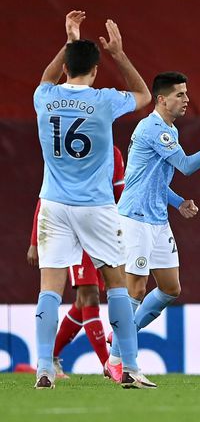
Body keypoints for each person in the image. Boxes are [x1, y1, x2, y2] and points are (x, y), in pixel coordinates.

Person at [33, 10, 155, 389]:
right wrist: (118, 53)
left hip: (53, 205)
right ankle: (130, 367)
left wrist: (70, 40)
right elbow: (144, 95)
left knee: (50, 287)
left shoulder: (44, 97)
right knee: (116, 283)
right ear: (96, 70)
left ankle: (43, 367)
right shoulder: (103, 101)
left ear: (66, 65)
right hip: (96, 206)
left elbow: (46, 77)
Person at [105, 72, 200, 380]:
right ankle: (123, 363)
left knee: (170, 288)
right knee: (135, 288)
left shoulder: (169, 130)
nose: (187, 99)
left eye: (187, 93)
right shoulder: (153, 128)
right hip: (135, 218)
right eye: (180, 94)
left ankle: (120, 345)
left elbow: (153, 180)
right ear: (162, 99)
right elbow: (187, 166)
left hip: (157, 220)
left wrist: (178, 202)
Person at [27, 145, 126, 379]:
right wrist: (34, 241)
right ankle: (108, 364)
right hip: (72, 232)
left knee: (84, 303)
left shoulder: (113, 153)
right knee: (89, 295)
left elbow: (119, 194)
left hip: (100, 228)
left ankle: (50, 356)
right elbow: (48, 197)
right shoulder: (68, 148)